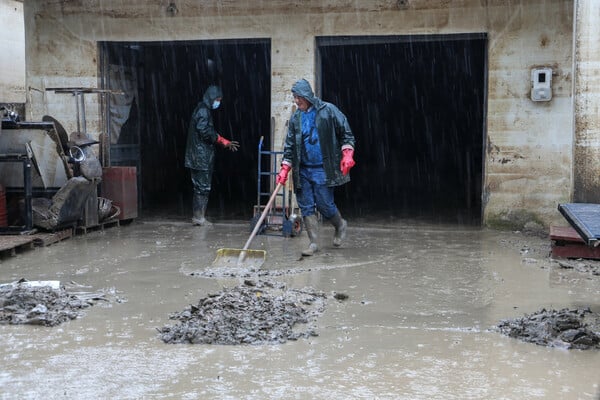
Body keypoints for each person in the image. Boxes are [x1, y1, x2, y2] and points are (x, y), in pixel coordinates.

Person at [276, 79, 356, 256]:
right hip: (302, 168)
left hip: (322, 168)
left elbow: (346, 133)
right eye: (294, 97)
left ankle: (340, 224)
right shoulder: (297, 117)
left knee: (324, 204)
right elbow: (290, 145)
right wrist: (284, 167)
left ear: (307, 96)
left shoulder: (328, 111)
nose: (296, 101)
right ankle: (313, 243)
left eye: (299, 97)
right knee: (305, 206)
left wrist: (348, 153)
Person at [185, 85, 239, 226]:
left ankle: (199, 216)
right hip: (200, 156)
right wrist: (221, 140)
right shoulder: (203, 111)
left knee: (200, 186)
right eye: (218, 99)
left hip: (198, 155)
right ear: (212, 98)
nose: (218, 103)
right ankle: (198, 218)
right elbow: (204, 130)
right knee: (202, 187)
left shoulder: (202, 109)